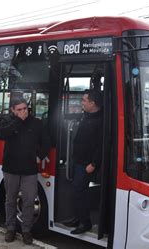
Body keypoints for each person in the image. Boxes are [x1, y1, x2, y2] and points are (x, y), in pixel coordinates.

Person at [0, 97, 50, 245]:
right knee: (10, 200)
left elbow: (46, 142)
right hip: (10, 168)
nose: (23, 112)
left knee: (28, 201)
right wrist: (19, 121)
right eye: (19, 109)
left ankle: (26, 230)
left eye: (25, 109)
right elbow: (4, 134)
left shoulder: (37, 123)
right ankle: (10, 228)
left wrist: (40, 156)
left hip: (30, 170)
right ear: (12, 110)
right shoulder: (7, 121)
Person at [65, 90, 103, 234]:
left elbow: (101, 145)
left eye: (84, 100)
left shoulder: (100, 121)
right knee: (76, 191)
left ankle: (85, 222)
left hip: (87, 164)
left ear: (93, 103)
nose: (82, 103)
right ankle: (77, 218)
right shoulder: (86, 116)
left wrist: (93, 164)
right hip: (78, 160)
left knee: (81, 192)